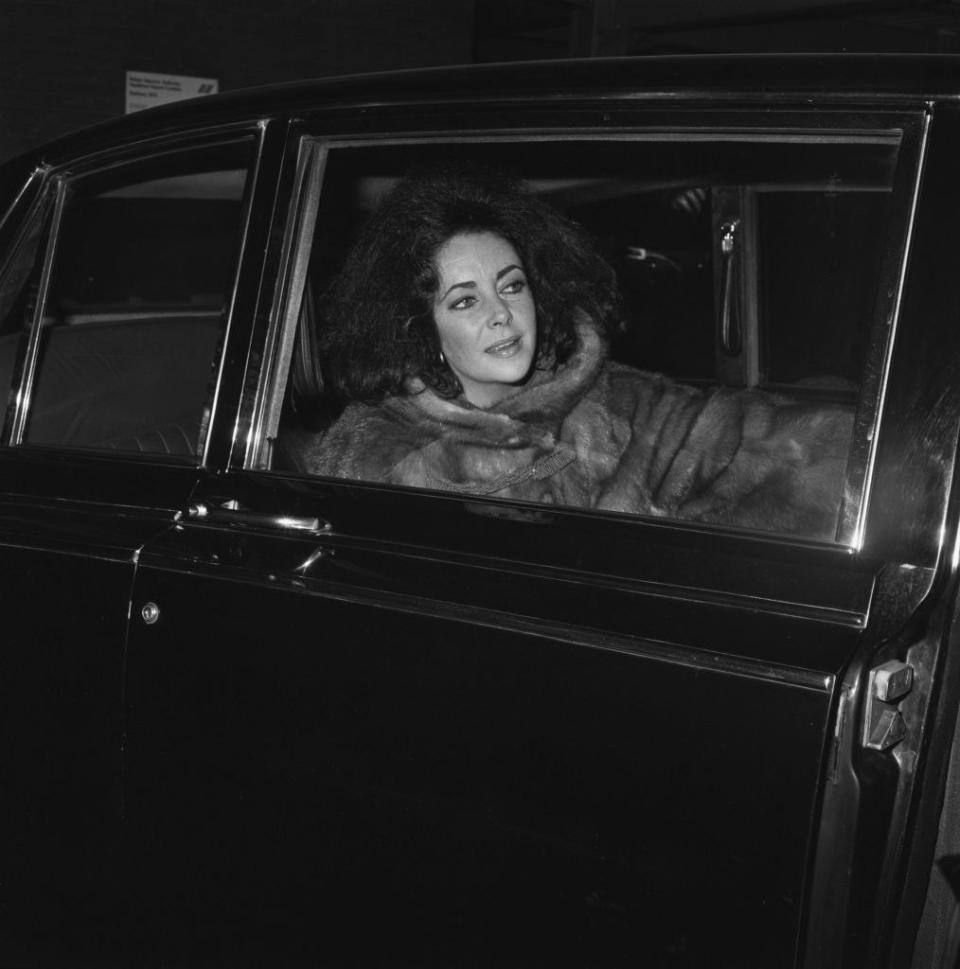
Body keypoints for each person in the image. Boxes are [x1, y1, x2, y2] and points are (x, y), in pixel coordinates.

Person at [299, 163, 853, 539]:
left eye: (512, 286)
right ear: (420, 327)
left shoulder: (620, 405)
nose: (502, 313)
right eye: (465, 302)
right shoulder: (369, 463)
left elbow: (776, 445)